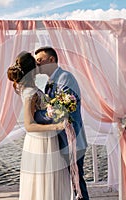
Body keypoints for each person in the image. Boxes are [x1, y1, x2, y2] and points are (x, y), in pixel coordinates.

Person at [7, 51, 72, 200]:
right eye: (36, 63)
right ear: (32, 70)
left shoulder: (27, 88)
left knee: (47, 181)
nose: (39, 65)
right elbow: (29, 125)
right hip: (41, 141)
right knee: (44, 182)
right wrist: (56, 126)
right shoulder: (30, 93)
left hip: (45, 140)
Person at [35, 46, 89, 200]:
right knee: (65, 184)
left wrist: (35, 116)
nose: (37, 65)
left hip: (72, 140)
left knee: (76, 183)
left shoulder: (65, 78)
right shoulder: (49, 82)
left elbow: (60, 112)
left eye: (40, 61)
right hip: (59, 140)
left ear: (51, 60)